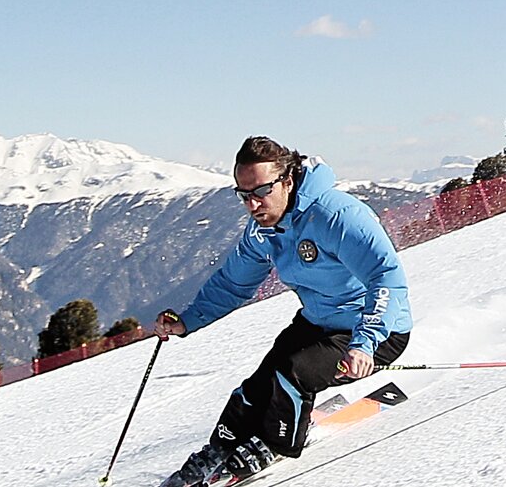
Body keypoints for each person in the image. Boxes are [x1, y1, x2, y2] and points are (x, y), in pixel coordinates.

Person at [156, 136, 412, 487]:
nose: (252, 204)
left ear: (287, 181)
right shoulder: (263, 230)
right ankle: (220, 449)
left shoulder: (336, 215)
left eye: (261, 191)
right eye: (244, 195)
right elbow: (232, 284)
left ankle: (275, 444)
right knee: (258, 386)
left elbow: (386, 277)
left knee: (293, 374)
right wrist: (186, 321)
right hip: (318, 322)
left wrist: (365, 343)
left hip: (373, 330)